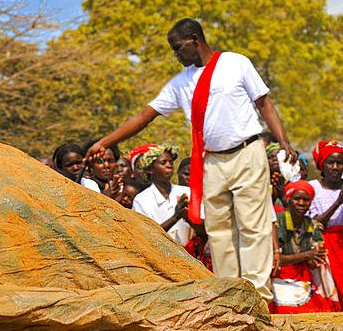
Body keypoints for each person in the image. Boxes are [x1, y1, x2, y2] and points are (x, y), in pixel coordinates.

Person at [86, 18, 297, 301]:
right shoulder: (180, 83)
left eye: (178, 48)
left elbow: (264, 103)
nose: (176, 56)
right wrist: (104, 142)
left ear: (195, 40)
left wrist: (283, 140)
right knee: (219, 228)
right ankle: (231, 295)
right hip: (211, 161)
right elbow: (144, 117)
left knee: (252, 224)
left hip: (247, 152)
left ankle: (257, 295)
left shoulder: (236, 63)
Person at [270, 180, 338, 313]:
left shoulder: (313, 226)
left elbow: (313, 263)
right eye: (297, 199)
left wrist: (315, 259)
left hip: (303, 279)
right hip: (278, 277)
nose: (301, 203)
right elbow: (274, 259)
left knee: (321, 311)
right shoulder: (277, 222)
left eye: (306, 200)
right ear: (288, 200)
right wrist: (307, 255)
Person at [131, 145, 191, 247]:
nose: (169, 166)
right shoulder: (142, 200)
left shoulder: (186, 192)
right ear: (151, 169)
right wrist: (176, 217)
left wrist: (187, 217)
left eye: (171, 163)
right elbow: (147, 236)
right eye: (163, 163)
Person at [307, 141, 343, 297]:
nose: (335, 167)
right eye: (330, 162)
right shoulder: (313, 187)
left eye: (340, 163)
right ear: (322, 165)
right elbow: (316, 223)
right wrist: (338, 203)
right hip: (323, 244)